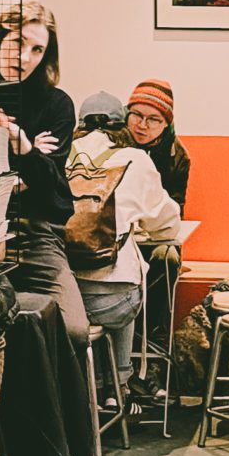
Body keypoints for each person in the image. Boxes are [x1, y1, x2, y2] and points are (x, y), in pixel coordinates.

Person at [0, 1, 86, 349]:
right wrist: (28, 163)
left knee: (74, 331)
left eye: (37, 49)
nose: (24, 57)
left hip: (34, 233)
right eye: (18, 42)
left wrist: (21, 144)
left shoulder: (56, 104)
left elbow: (48, 184)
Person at [66, 92, 181, 403]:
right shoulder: (136, 159)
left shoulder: (60, 154)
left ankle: (94, 384)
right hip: (113, 304)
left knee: (100, 293)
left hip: (64, 299)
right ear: (122, 124)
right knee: (125, 290)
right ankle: (119, 385)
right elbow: (166, 222)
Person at [124, 79, 191, 215]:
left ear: (166, 123)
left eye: (153, 119)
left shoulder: (177, 157)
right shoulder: (111, 141)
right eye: (137, 115)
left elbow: (175, 209)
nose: (142, 125)